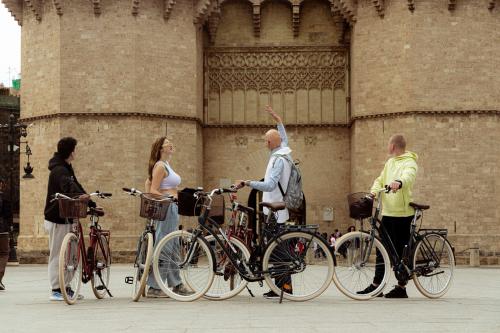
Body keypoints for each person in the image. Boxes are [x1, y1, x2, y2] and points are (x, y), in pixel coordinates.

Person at [236, 105, 293, 299]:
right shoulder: (283, 151)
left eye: (265, 141)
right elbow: (283, 138)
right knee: (275, 249)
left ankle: (284, 287)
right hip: (276, 211)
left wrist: (248, 182)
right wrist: (278, 121)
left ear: (270, 142)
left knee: (278, 251)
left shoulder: (278, 160)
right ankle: (279, 286)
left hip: (275, 212)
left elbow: (269, 185)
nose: (265, 144)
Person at [357, 134, 418, 298]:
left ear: (393, 146)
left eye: (388, 144)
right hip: (388, 212)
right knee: (381, 249)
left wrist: (399, 181)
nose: (387, 147)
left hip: (403, 213)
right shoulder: (390, 163)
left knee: (402, 250)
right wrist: (373, 192)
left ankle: (401, 287)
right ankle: (377, 285)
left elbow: (409, 176)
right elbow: (380, 180)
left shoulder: (410, 162)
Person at [43, 137, 92, 301]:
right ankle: (56, 289)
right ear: (71, 151)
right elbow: (69, 188)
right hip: (57, 217)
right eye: (75, 149)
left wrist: (91, 204)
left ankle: (66, 286)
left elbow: (77, 186)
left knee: (69, 254)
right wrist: (81, 196)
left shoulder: (66, 168)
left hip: (67, 215)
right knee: (58, 253)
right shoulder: (59, 170)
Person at [145, 137, 192, 298]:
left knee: (171, 245)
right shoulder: (159, 166)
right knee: (164, 245)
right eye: (167, 143)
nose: (171, 144)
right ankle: (155, 286)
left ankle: (176, 283)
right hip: (167, 208)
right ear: (160, 148)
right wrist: (170, 198)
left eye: (172, 141)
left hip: (172, 208)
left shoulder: (166, 165)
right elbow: (152, 190)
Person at [0, 178, 12, 291]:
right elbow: (8, 215)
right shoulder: (5, 198)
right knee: (3, 253)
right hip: (2, 229)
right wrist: (10, 226)